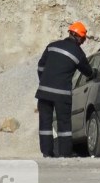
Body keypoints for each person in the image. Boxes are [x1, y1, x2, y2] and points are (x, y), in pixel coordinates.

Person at [36, 21, 94, 157]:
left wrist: (45, 83)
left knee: (45, 124)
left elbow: (40, 67)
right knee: (64, 125)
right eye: (83, 39)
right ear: (79, 37)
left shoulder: (52, 46)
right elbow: (88, 71)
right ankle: (65, 154)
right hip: (62, 95)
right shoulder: (77, 53)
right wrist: (94, 73)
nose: (83, 42)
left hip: (43, 92)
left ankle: (47, 153)